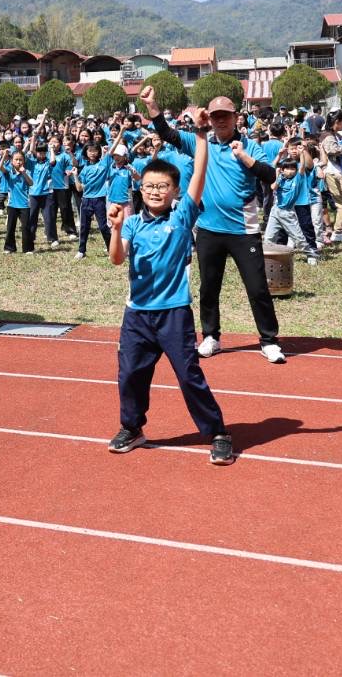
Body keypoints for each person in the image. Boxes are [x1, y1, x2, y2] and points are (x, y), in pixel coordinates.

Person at [106, 113, 235, 465]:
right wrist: (116, 230)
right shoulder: (131, 221)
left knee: (189, 376)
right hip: (137, 315)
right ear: (141, 188)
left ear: (174, 190)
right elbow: (117, 260)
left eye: (162, 186)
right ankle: (132, 428)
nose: (155, 191)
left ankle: (218, 432)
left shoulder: (181, 216)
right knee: (130, 374)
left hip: (174, 313)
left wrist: (202, 134)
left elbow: (200, 173)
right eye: (149, 186)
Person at [143, 88, 284, 363]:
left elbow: (270, 175)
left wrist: (245, 158)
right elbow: (169, 134)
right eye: (216, 116)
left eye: (226, 116)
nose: (221, 121)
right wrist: (152, 107)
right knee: (209, 287)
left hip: (244, 231)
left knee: (257, 288)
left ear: (236, 118)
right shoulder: (201, 142)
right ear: (209, 117)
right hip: (208, 229)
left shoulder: (250, 145)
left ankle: (269, 341)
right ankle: (211, 336)